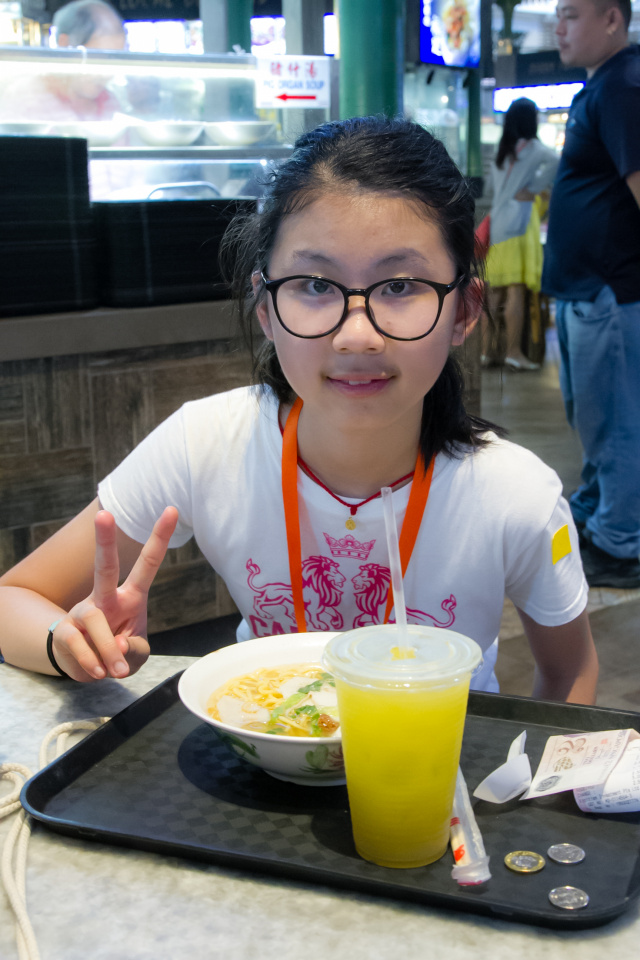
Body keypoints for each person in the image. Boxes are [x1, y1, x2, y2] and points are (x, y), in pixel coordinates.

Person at [0, 116, 598, 705]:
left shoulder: (516, 495)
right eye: (315, 285)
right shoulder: (206, 444)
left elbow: (570, 673)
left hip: (438, 757)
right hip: (262, 747)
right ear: (265, 307)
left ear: (463, 310)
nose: (357, 336)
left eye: (399, 286)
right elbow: (15, 598)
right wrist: (69, 643)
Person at [542, 0, 640, 589]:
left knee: (619, 422)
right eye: (557, 14)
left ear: (612, 20)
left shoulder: (624, 85)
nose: (558, 27)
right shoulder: (603, 84)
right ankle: (600, 508)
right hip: (586, 290)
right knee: (595, 417)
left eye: (572, 14)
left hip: (609, 291)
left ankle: (621, 542)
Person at [483, 98, 559, 371]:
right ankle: (513, 353)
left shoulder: (501, 151)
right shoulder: (534, 149)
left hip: (497, 225)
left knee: (493, 293)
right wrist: (535, 188)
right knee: (516, 290)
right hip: (519, 224)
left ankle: (487, 352)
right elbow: (557, 161)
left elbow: (491, 189)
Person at [0, 1, 126, 121]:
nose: (106, 74)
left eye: (114, 61)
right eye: (99, 59)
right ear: (64, 43)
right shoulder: (26, 98)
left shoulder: (110, 101)